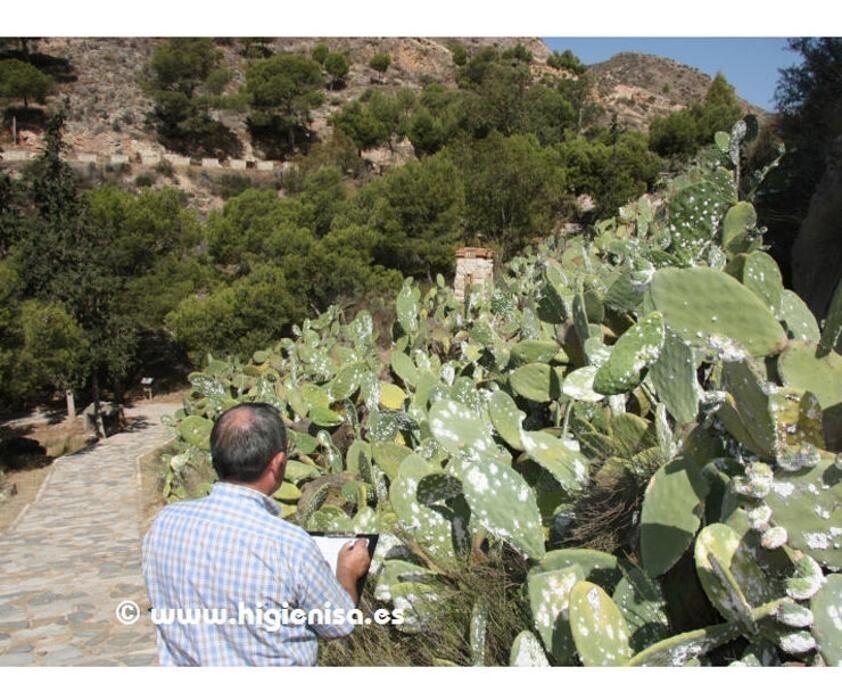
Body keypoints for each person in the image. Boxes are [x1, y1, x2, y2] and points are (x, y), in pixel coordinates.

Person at [142, 402, 371, 666]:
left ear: (215, 458)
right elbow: (338, 624)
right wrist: (347, 573)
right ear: (278, 463)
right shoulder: (288, 545)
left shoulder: (164, 523)